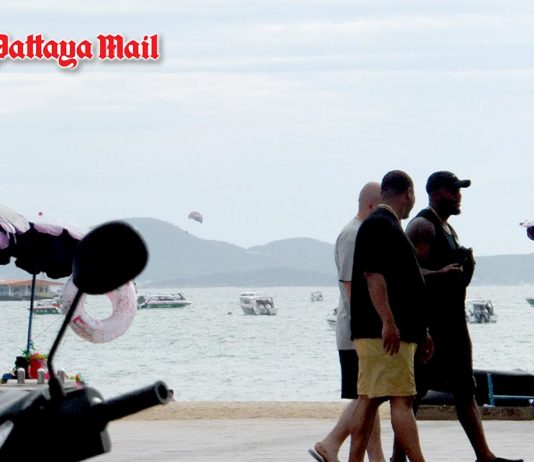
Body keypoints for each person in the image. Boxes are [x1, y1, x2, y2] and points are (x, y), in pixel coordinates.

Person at [393, 171, 523, 462]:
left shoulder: (448, 229)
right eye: (452, 191)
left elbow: (449, 280)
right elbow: (404, 274)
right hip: (430, 327)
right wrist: (438, 275)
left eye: (459, 190)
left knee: (465, 390)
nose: (458, 196)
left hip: (454, 324)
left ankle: (484, 455)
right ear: (434, 193)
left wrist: (464, 271)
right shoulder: (422, 226)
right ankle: (398, 457)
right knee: (413, 395)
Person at [348, 170, 431, 462]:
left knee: (369, 399)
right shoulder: (381, 224)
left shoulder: (383, 224)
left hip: (383, 330)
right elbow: (373, 276)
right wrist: (388, 322)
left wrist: (421, 331)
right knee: (401, 399)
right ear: (408, 193)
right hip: (385, 332)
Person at [309, 181, 385, 462]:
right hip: (356, 330)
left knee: (370, 394)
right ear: (371, 206)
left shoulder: (361, 232)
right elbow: (350, 283)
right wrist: (371, 322)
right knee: (368, 395)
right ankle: (331, 443)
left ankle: (375, 456)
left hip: (359, 328)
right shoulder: (353, 235)